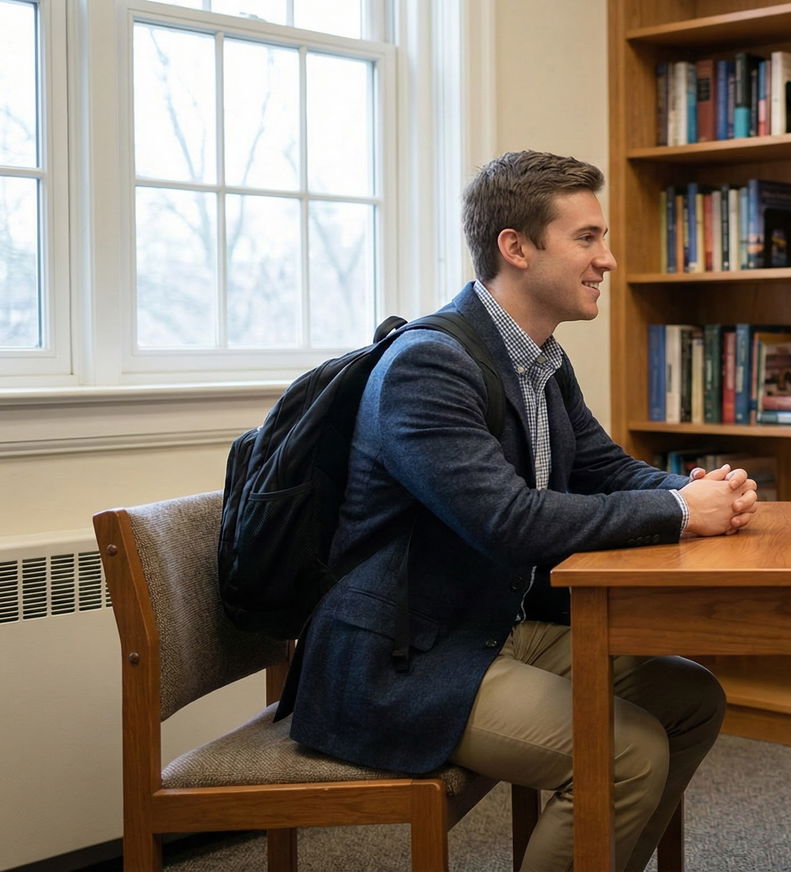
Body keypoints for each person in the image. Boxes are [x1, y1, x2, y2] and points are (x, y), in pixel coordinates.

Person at [278, 151, 755, 872]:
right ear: (517, 247)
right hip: (401, 662)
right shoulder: (428, 366)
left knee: (691, 697)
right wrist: (682, 513)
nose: (609, 259)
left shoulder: (541, 359)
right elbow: (510, 521)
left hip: (491, 629)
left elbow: (604, 470)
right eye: (588, 238)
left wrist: (696, 491)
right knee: (627, 753)